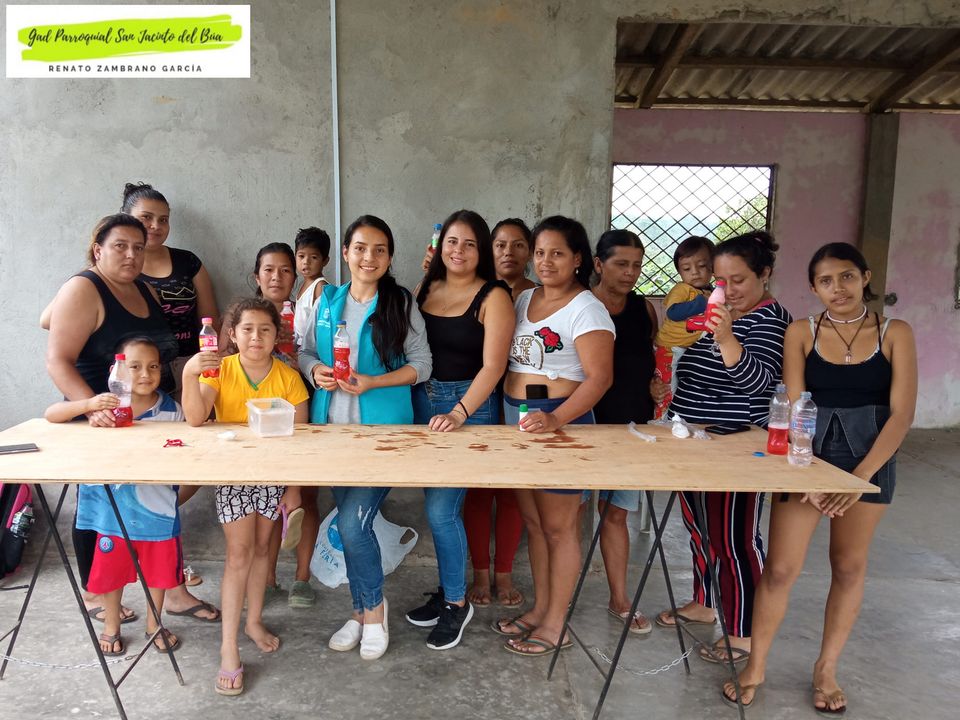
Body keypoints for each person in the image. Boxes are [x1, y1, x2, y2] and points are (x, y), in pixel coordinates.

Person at [721, 243, 917, 714]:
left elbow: (902, 414)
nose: (838, 288)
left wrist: (859, 479)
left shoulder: (895, 332)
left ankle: (826, 670)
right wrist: (806, 471)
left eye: (847, 276)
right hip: (806, 459)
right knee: (781, 568)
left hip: (869, 462)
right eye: (826, 281)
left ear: (865, 277)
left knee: (848, 566)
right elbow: (793, 408)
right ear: (813, 287)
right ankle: (756, 666)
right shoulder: (800, 332)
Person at [652, 231, 791, 666]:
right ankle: (704, 602)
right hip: (694, 437)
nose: (727, 290)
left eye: (738, 280)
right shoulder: (719, 311)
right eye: (720, 281)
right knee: (700, 529)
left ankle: (744, 631)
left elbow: (759, 385)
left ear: (764, 274)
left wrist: (728, 338)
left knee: (734, 540)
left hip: (736, 445)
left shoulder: (770, 320)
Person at [299, 215, 432, 661]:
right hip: (333, 433)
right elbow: (304, 351)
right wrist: (315, 370)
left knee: (353, 525)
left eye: (379, 249)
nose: (368, 257)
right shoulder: (328, 300)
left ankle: (374, 612)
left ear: (389, 257)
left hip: (383, 436)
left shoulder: (400, 302)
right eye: (359, 248)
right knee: (351, 525)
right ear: (345, 253)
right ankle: (358, 613)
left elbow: (422, 364)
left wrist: (374, 382)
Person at [45, 213, 180, 626]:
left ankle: (166, 589)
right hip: (100, 419)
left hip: (149, 416)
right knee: (98, 507)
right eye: (120, 246)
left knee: (155, 504)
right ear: (97, 250)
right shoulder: (84, 287)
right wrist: (93, 407)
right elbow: (57, 360)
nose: (131, 254)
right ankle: (96, 594)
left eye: (138, 247)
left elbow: (46, 317)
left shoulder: (142, 288)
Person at [493, 216, 614, 657]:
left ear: (578, 258)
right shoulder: (525, 298)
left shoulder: (587, 308)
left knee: (561, 529)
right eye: (540, 252)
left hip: (560, 423)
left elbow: (599, 379)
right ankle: (541, 609)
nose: (546, 261)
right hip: (519, 418)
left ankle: (556, 624)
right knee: (535, 525)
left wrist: (556, 419)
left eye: (557, 253)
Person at [182, 297, 307, 696]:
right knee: (239, 555)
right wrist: (189, 374)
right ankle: (228, 647)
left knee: (262, 550)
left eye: (265, 329)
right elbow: (196, 417)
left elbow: (300, 440)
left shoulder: (288, 376)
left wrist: (293, 488)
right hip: (234, 476)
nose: (256, 337)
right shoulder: (219, 370)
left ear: (276, 335)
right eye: (247, 329)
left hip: (273, 477)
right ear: (233, 335)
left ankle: (253, 621)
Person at [404, 210, 514, 649]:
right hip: (422, 402)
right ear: (439, 246)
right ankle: (448, 589)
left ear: (481, 250)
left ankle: (456, 602)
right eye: (452, 241)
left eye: (469, 243)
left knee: (442, 511)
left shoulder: (494, 295)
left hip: (468, 408)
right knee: (435, 505)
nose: (459, 250)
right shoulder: (426, 288)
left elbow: (494, 366)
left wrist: (459, 413)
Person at [46, 338, 186, 657]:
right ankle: (111, 625)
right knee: (111, 575)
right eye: (134, 366)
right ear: (117, 371)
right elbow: (52, 414)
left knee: (158, 574)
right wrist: (88, 405)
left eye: (153, 366)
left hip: (157, 513)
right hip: (111, 516)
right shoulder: (105, 406)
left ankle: (154, 625)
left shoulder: (172, 411)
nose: (145, 374)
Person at [589, 229, 659, 635]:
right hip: (582, 425)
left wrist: (655, 386)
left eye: (636, 265)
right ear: (599, 265)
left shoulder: (643, 309)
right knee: (571, 515)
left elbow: (649, 362)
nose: (630, 273)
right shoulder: (580, 306)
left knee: (616, 513)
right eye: (621, 264)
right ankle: (558, 601)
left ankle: (620, 598)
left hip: (632, 427)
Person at [463, 218, 533, 608]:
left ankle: (503, 573)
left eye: (518, 244)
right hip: (477, 401)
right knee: (478, 491)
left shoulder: (538, 295)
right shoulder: (476, 290)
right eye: (500, 244)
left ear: (530, 252)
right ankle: (480, 572)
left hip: (519, 403)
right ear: (489, 250)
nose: (509, 252)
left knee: (511, 493)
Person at [122, 182, 221, 385]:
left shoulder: (188, 261)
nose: (155, 226)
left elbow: (210, 322)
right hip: (138, 371)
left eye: (163, 220)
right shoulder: (116, 266)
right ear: (125, 218)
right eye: (146, 217)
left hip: (188, 366)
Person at [652, 236, 715, 418]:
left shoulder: (711, 292)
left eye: (701, 266)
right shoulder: (682, 289)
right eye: (687, 269)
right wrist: (701, 303)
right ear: (680, 272)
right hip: (670, 349)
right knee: (667, 388)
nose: (695, 272)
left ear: (713, 267)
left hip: (688, 349)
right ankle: (661, 420)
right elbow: (673, 312)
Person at [293, 226, 332, 352]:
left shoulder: (320, 286)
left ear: (325, 261)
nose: (306, 262)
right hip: (300, 345)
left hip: (313, 349)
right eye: (301, 256)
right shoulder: (303, 285)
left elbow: (324, 325)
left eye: (314, 257)